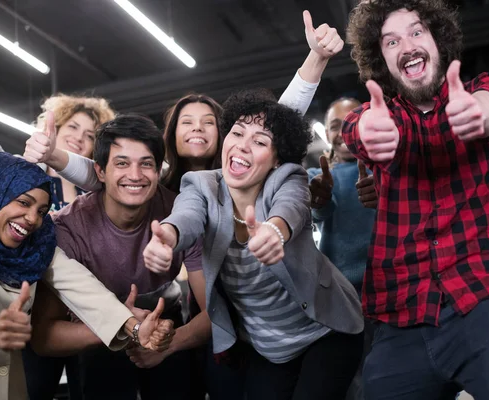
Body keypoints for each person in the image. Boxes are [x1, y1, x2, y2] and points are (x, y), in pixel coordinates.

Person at [24, 10, 345, 400]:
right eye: (186, 122)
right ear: (172, 136)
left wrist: (316, 60)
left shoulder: (257, 170)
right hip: (151, 319)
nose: (197, 129)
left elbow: (273, 131)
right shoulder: (175, 189)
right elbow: (109, 178)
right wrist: (53, 157)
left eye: (208, 122)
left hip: (263, 320)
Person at [343, 1, 489, 399]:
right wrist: (370, 132)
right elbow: (359, 127)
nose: (407, 45)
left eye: (417, 32)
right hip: (402, 319)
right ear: (382, 60)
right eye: (391, 41)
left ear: (438, 40)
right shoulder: (383, 117)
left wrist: (480, 114)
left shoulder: (487, 91)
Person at [144, 89, 364, 400]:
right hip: (269, 348)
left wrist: (274, 232)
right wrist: (168, 235)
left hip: (327, 331)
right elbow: (187, 215)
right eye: (237, 133)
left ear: (276, 160)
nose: (242, 146)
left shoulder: (288, 178)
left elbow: (291, 208)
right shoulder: (202, 185)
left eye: (259, 141)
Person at [29, 114, 206, 400]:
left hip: (166, 323)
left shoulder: (181, 215)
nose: (135, 175)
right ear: (99, 171)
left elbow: (215, 311)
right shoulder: (67, 228)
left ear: (159, 169)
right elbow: (43, 336)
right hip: (94, 329)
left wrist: (168, 343)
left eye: (146, 164)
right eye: (121, 163)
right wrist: (125, 327)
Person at [0, 152, 173, 400]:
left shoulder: (38, 246)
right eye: (23, 202)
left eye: (41, 211)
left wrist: (134, 327)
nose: (32, 219)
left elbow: (82, 287)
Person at [0, 94, 116, 400]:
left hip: (82, 316)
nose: (79, 138)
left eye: (90, 135)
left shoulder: (97, 193)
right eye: (73, 127)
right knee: (33, 388)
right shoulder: (22, 176)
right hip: (29, 313)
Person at [307, 97, 377, 400]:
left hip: (389, 286)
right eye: (336, 126)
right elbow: (321, 211)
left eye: (353, 122)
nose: (344, 131)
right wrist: (320, 199)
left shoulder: (387, 171)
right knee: (353, 378)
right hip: (343, 294)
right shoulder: (318, 178)